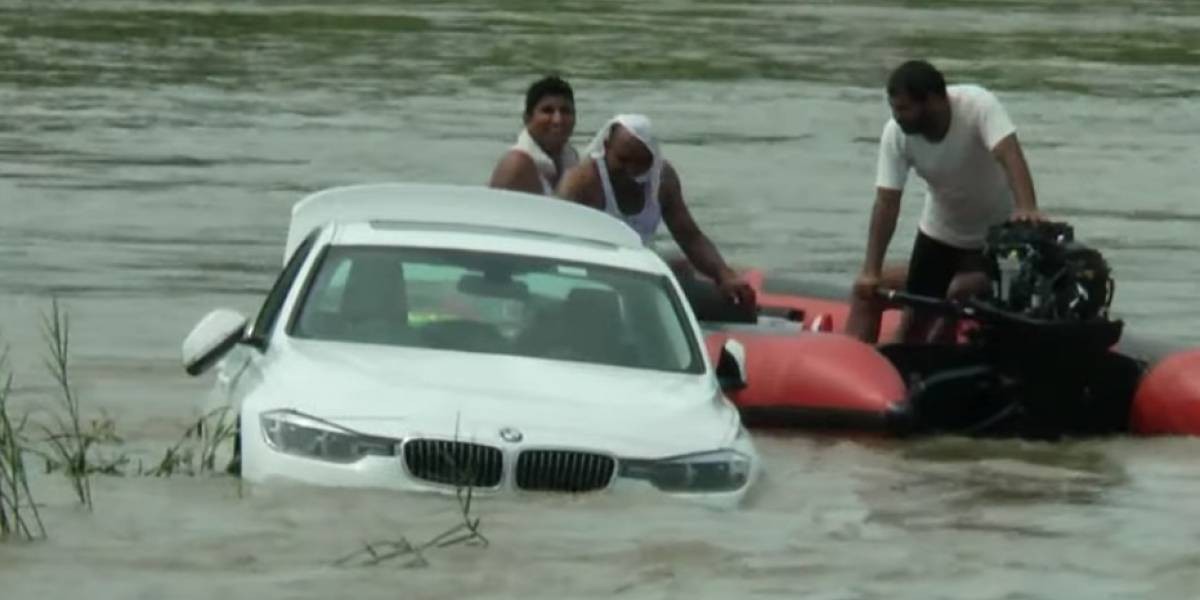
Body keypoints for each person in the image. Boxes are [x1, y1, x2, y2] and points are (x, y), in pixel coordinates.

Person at [846, 60, 1044, 344]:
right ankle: (863, 363)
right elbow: (887, 203)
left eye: (904, 109)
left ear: (935, 100)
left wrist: (1027, 208)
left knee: (958, 292)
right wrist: (871, 270)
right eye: (893, 108)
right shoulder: (896, 134)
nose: (897, 117)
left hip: (994, 240)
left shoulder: (978, 105)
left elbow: (1009, 154)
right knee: (906, 313)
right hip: (939, 235)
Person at [556, 113, 756, 309]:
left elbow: (690, 236)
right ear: (607, 147)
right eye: (623, 160)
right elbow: (560, 243)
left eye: (640, 162)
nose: (630, 170)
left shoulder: (663, 179)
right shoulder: (581, 181)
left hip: (641, 275)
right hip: (591, 275)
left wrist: (724, 274)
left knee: (720, 295)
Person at [488, 75, 579, 196]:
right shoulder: (516, 165)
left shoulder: (571, 157)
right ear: (527, 118)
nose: (558, 120)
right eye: (547, 111)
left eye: (565, 111)